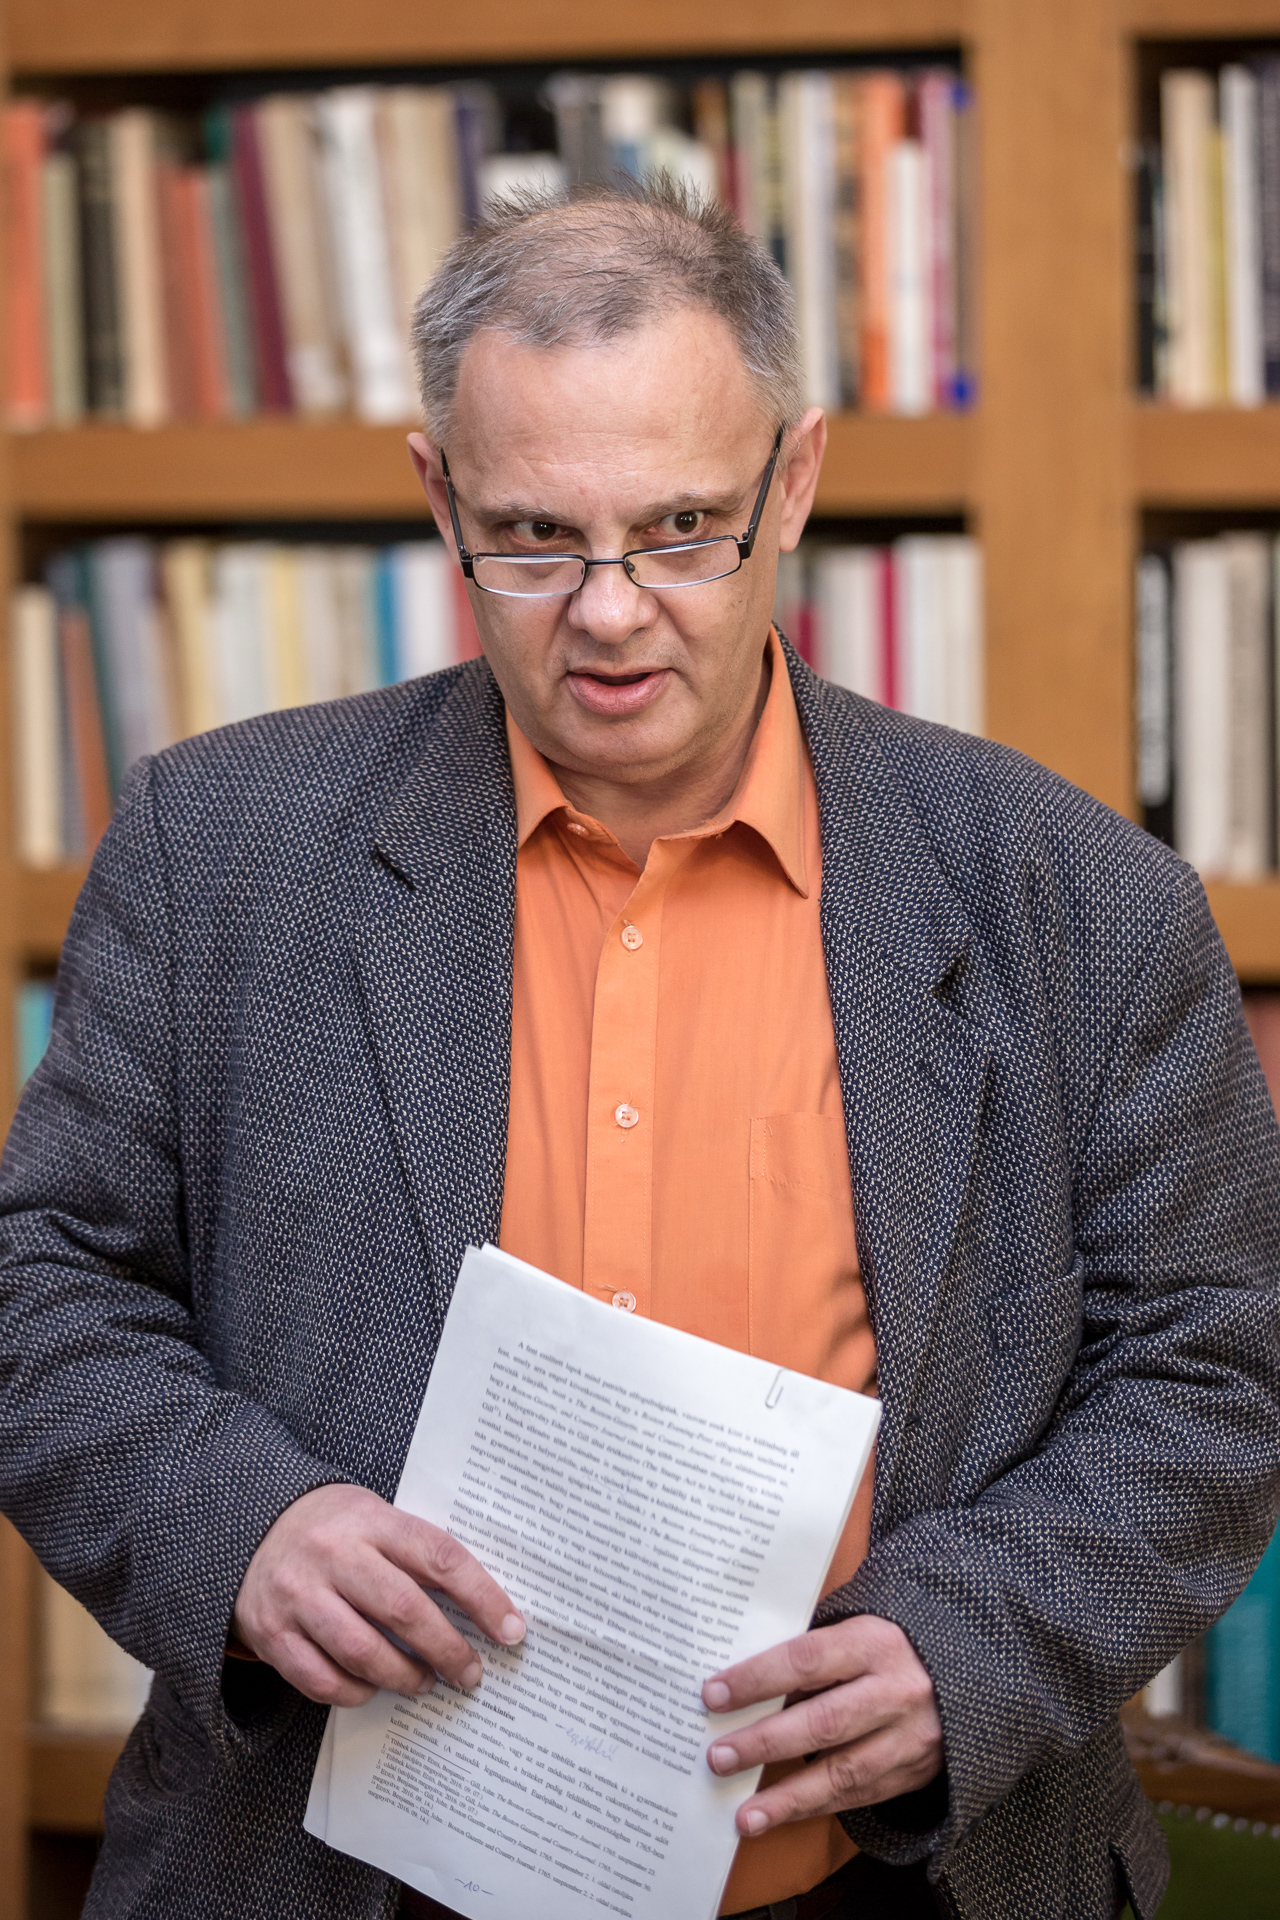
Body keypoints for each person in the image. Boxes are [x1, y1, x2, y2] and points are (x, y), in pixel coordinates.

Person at [1, 180, 1278, 1920]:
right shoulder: (216, 847)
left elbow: (1214, 1371)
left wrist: (971, 1642)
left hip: (895, 1878)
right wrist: (240, 1530)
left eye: (682, 530)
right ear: (438, 496)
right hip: (323, 1868)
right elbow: (46, 1283)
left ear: (795, 483)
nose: (608, 614)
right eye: (534, 538)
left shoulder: (1085, 900)